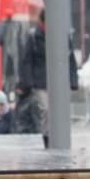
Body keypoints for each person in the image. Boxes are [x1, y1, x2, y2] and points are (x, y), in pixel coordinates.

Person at [16, 9, 79, 148]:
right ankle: (48, 138)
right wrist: (28, 82)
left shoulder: (63, 36)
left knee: (60, 112)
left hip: (60, 81)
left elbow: (71, 60)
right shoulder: (33, 37)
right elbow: (27, 60)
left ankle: (58, 139)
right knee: (46, 110)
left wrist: (73, 81)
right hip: (40, 82)